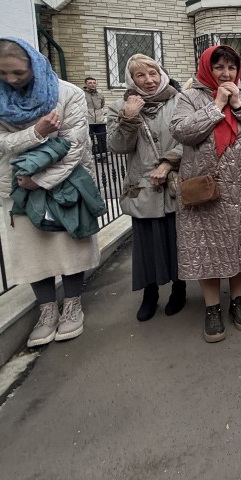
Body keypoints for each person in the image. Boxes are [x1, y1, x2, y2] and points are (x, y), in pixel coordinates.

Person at [0, 38, 100, 347]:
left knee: (69, 242)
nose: (11, 79)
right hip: (15, 185)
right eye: (1, 72)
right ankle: (46, 310)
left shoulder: (67, 93)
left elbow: (74, 144)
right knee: (31, 248)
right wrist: (36, 133)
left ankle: (72, 305)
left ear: (35, 64)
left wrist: (40, 179)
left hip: (65, 180)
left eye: (18, 72)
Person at [170, 45, 241, 342]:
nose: (226, 73)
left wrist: (239, 106)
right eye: (219, 67)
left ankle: (238, 301)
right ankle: (212, 308)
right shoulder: (189, 97)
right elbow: (181, 132)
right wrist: (216, 106)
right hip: (207, 187)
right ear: (208, 68)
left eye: (231, 68)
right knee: (208, 247)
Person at [105, 55, 184, 321]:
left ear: (162, 74)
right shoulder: (120, 106)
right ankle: (150, 293)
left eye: (153, 73)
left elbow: (190, 138)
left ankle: (179, 289)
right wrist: (128, 118)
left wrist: (169, 162)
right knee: (147, 245)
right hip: (142, 187)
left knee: (176, 241)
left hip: (174, 183)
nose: (148, 80)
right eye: (140, 75)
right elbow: (117, 146)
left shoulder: (179, 101)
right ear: (131, 79)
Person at [83, 76, 107, 156]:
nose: (92, 84)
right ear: (86, 84)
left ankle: (103, 156)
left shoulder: (100, 95)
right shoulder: (82, 95)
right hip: (88, 122)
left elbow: (102, 105)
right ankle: (91, 156)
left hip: (100, 121)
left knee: (102, 139)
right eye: (90, 83)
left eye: (94, 83)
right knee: (89, 140)